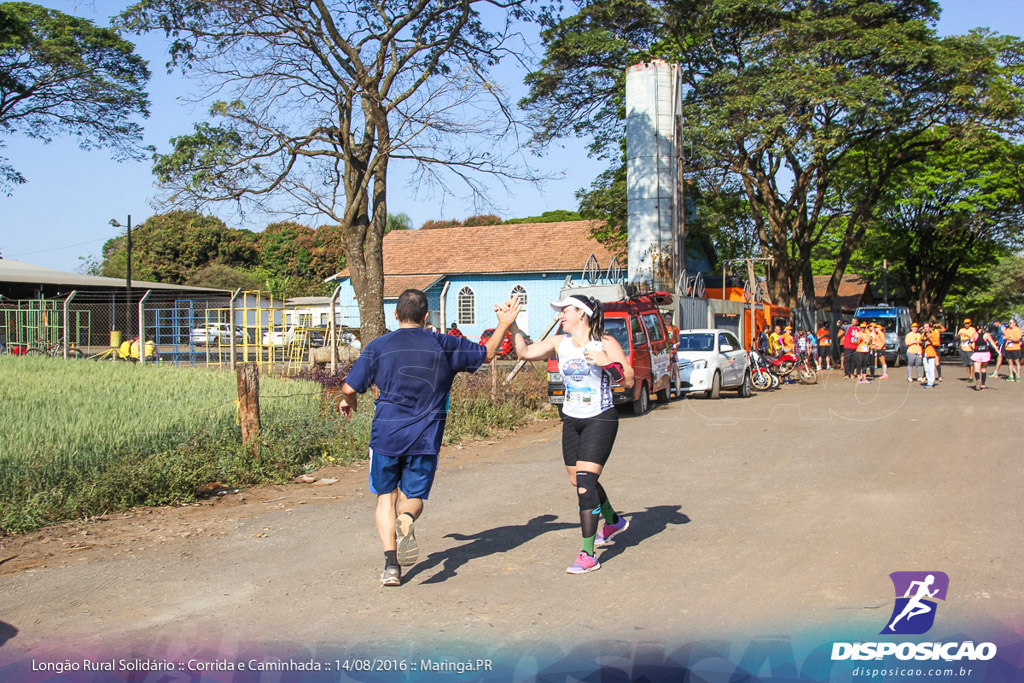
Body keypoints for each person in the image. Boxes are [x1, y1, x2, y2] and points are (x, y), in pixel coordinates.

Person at [336, 289, 520, 586]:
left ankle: (391, 566)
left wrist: (349, 400)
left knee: (386, 497)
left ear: (395, 315)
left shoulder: (379, 346)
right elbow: (486, 354)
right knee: (414, 499)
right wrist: (503, 323)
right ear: (425, 317)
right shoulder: (443, 344)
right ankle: (406, 520)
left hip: (386, 435)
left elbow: (349, 388)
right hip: (425, 439)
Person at [505, 294, 634, 575]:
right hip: (571, 419)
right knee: (578, 480)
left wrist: (605, 363)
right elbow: (524, 353)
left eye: (565, 311)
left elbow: (629, 377)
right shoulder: (558, 343)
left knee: (586, 484)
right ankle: (612, 520)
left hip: (601, 419)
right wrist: (512, 324)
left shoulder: (606, 344)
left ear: (582, 314)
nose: (561, 316)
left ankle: (588, 554)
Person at [970, 323, 998, 391]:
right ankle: (983, 385)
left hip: (977, 353)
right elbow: (992, 343)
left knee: (977, 369)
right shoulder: (987, 335)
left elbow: (970, 342)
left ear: (977, 326)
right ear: (985, 326)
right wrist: (997, 350)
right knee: (984, 369)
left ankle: (977, 380)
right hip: (985, 353)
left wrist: (972, 348)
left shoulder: (975, 334)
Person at [921, 323, 939, 388]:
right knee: (926, 368)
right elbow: (920, 341)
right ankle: (929, 381)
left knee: (931, 368)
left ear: (929, 327)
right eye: (924, 327)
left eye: (927, 327)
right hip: (924, 353)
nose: (926, 328)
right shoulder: (923, 334)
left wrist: (930, 342)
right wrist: (922, 342)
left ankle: (932, 382)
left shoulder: (934, 333)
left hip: (931, 352)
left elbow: (937, 342)